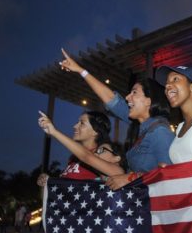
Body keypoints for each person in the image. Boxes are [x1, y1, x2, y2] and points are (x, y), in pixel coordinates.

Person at [59, 49, 174, 189]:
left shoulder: (160, 132)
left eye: (134, 93)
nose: (127, 97)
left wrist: (130, 178)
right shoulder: (141, 128)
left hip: (157, 208)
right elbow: (111, 100)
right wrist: (81, 71)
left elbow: (170, 174)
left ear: (149, 101)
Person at [37, 111, 125, 186]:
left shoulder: (100, 156)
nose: (75, 126)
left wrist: (54, 131)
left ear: (95, 131)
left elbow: (87, 157)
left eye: (82, 123)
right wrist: (49, 182)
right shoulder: (73, 158)